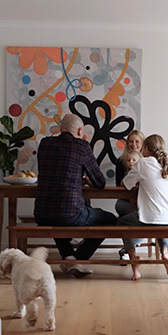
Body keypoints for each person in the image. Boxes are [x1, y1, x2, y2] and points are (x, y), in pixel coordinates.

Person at [34, 113, 117, 278]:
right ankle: (78, 259)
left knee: (56, 216)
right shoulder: (82, 146)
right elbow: (100, 182)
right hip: (69, 213)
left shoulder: (45, 143)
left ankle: (69, 256)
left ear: (61, 129)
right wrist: (86, 179)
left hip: (41, 214)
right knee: (110, 219)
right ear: (80, 131)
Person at [119, 134, 168, 281]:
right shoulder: (167, 165)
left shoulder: (143, 163)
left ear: (145, 149)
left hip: (150, 216)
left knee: (121, 222)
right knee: (161, 223)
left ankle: (133, 258)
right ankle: (165, 252)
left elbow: (125, 184)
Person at [114, 130, 146, 260]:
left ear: (142, 143)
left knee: (144, 214)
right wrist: (131, 199)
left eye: (137, 141)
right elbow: (118, 187)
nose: (133, 144)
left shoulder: (148, 162)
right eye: (131, 141)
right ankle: (130, 249)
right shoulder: (121, 162)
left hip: (143, 202)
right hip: (125, 201)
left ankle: (128, 249)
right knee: (139, 214)